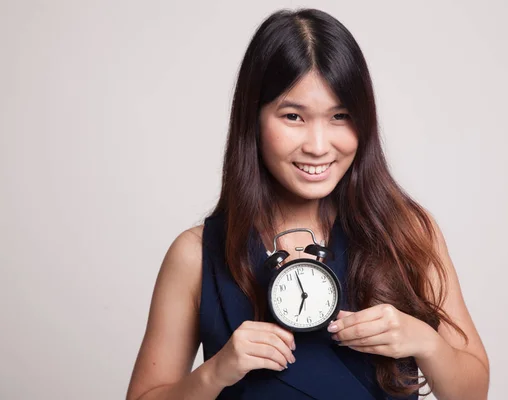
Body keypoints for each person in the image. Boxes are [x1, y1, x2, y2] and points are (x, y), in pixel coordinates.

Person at [126, 8, 489, 400]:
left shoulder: (407, 232)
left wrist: (424, 342)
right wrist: (216, 372)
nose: (318, 147)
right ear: (254, 118)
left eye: (340, 116)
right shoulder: (195, 255)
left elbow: (473, 393)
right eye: (294, 116)